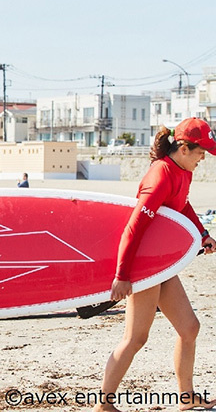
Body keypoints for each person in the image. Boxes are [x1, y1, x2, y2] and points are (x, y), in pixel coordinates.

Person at [92, 118, 216, 412]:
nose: (203, 159)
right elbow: (133, 229)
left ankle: (187, 398)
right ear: (184, 148)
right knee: (136, 338)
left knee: (189, 328)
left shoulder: (182, 172)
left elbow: (182, 204)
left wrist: (202, 235)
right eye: (201, 153)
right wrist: (122, 276)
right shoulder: (160, 175)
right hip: (144, 267)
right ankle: (103, 404)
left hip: (162, 265)